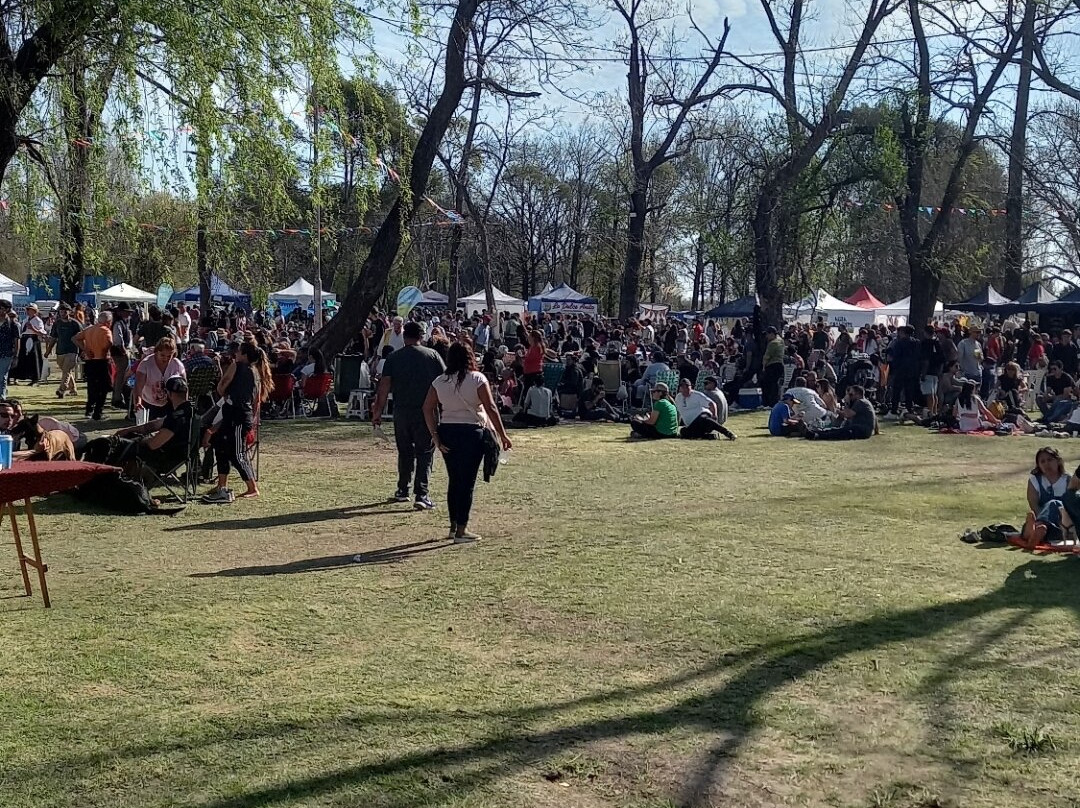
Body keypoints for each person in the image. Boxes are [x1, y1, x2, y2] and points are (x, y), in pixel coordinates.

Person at [422, 342, 512, 543]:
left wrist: (435, 435)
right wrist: (502, 434)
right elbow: (490, 407)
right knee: (467, 482)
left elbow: (427, 408)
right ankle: (462, 529)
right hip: (472, 432)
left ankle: (454, 526)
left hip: (447, 431)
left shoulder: (439, 381)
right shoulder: (477, 379)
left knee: (454, 481)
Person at [371, 321, 446, 509]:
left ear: (404, 337)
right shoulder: (433, 356)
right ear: (422, 336)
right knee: (425, 451)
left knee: (404, 451)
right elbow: (445, 383)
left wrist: (377, 412)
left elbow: (383, 388)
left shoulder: (394, 358)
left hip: (401, 411)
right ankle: (422, 494)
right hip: (426, 411)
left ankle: (403, 489)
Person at [203, 342, 272, 503]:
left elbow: (224, 383)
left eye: (239, 352)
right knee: (220, 445)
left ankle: (252, 487)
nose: (236, 354)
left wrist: (222, 391)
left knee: (237, 452)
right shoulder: (255, 372)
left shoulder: (238, 366)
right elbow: (256, 398)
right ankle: (222, 485)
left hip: (238, 415)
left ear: (245, 355)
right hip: (235, 412)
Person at [110, 376, 195, 484]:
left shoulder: (176, 418)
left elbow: (153, 444)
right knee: (130, 437)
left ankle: (115, 476)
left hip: (165, 459)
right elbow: (153, 426)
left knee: (126, 445)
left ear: (168, 394)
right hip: (178, 456)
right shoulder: (190, 412)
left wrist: (138, 440)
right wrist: (129, 430)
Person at [1022, 447, 1074, 547]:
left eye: (1050, 460)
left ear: (1058, 461)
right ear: (1039, 465)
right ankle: (1033, 531)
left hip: (1063, 521)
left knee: (1054, 503)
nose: (1046, 464)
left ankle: (1031, 533)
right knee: (1044, 527)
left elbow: (1073, 506)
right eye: (1042, 461)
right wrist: (1043, 521)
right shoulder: (1034, 480)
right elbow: (1034, 505)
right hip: (1041, 519)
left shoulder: (1068, 480)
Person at [74, 311, 114, 420]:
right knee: (103, 388)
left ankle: (89, 410)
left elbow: (75, 338)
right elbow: (110, 342)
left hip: (90, 361)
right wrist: (105, 350)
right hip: (102, 360)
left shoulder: (89, 329)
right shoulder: (105, 330)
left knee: (92, 387)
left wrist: (85, 349)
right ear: (108, 322)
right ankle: (98, 412)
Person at [134, 337, 186, 420]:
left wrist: (184, 406)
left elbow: (184, 388)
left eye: (169, 356)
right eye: (162, 355)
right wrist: (138, 402)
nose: (165, 358)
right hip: (148, 403)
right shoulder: (145, 364)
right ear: (156, 351)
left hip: (170, 404)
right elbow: (138, 387)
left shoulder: (177, 365)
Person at [806, 385, 878, 440]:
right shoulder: (866, 402)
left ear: (857, 394)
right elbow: (875, 418)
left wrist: (844, 405)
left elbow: (847, 415)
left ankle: (817, 435)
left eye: (851, 394)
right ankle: (816, 433)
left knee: (840, 432)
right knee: (838, 430)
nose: (850, 396)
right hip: (861, 429)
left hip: (860, 430)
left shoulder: (860, 402)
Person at [46, 302, 82, 399]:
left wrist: (83, 350)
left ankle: (61, 389)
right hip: (60, 351)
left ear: (69, 312)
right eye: (61, 311)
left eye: (65, 311)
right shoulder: (57, 324)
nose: (63, 313)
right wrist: (48, 350)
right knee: (66, 371)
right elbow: (53, 338)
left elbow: (81, 337)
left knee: (66, 370)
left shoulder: (75, 324)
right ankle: (73, 389)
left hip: (72, 350)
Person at [12, 302, 47, 385]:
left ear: (34, 311)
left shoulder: (38, 321)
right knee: (22, 358)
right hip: (24, 338)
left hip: (33, 339)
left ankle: (35, 378)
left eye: (30, 310)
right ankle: (19, 376)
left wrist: (32, 328)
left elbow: (42, 333)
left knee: (34, 359)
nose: (28, 311)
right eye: (27, 310)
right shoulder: (25, 319)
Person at [110, 302, 134, 408]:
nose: (128, 314)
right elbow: (118, 340)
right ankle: (117, 398)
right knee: (120, 377)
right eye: (126, 312)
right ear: (120, 312)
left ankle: (118, 397)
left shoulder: (123, 323)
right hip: (119, 354)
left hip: (122, 352)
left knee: (122, 377)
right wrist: (124, 351)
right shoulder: (118, 323)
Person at [760, 326, 785, 406]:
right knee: (775, 385)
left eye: (767, 334)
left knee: (767, 385)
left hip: (772, 366)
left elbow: (766, 357)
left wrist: (763, 367)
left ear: (771, 334)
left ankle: (767, 403)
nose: (766, 336)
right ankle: (774, 402)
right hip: (780, 365)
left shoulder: (772, 343)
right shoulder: (781, 340)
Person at [0, 300, 19, 399]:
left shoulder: (12, 324)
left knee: (2, 375)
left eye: (1, 308)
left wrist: (16, 356)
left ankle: (1, 397)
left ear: (6, 310)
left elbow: (16, 341)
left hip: (6, 353)